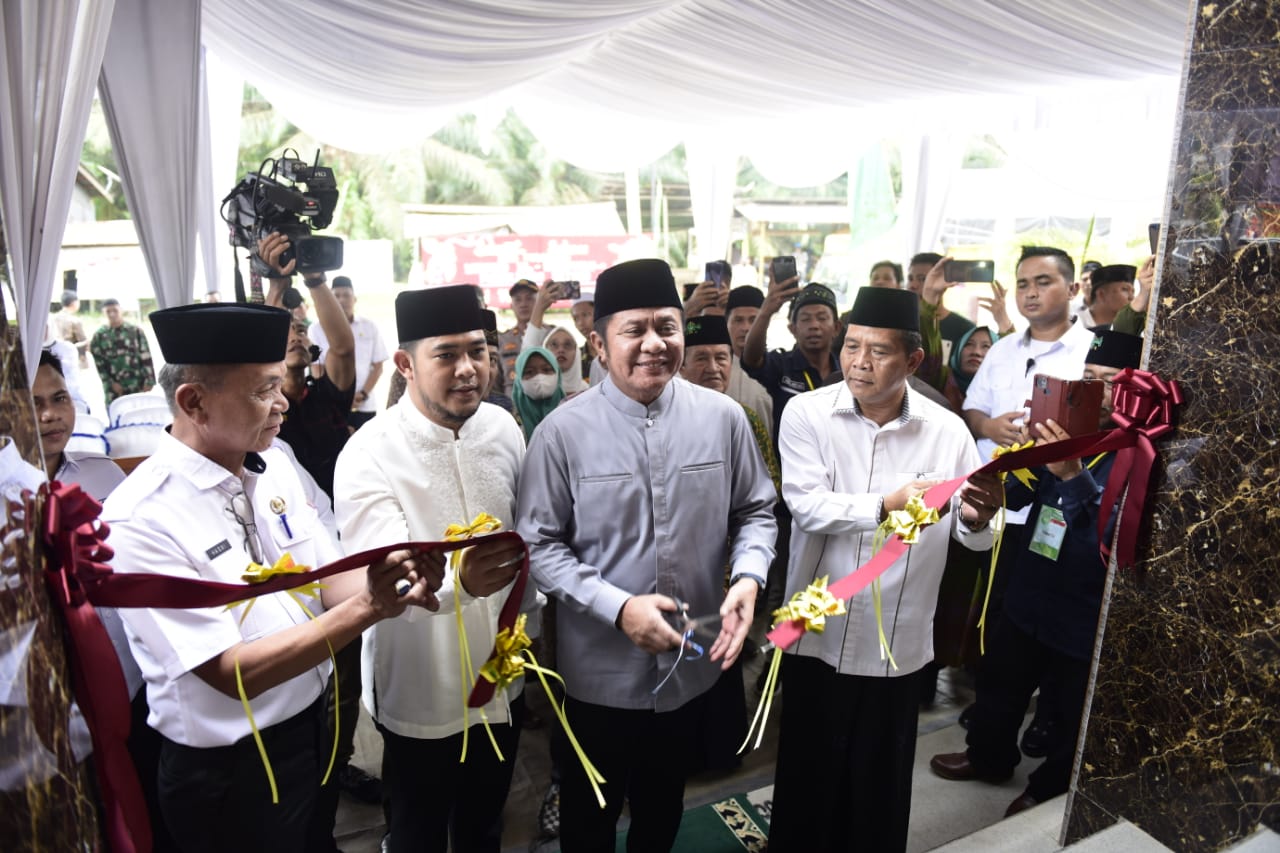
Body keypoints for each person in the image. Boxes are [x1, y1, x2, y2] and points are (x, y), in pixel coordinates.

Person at [103, 302, 443, 853]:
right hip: (229, 769)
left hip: (309, 732)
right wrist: (369, 608)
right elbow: (232, 674)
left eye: (280, 384)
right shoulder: (141, 517)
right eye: (263, 390)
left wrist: (394, 580)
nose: (283, 402)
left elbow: (326, 578)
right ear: (194, 402)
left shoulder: (272, 463)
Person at [517, 258, 776, 853]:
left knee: (664, 804)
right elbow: (539, 544)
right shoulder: (561, 433)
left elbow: (756, 512)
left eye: (668, 326)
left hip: (691, 664)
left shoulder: (724, 419)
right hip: (601, 670)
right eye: (634, 329)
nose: (655, 343)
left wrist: (748, 577)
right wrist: (617, 607)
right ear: (599, 344)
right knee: (591, 813)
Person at [767, 286, 1001, 853]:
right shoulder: (807, 413)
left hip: (894, 641)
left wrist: (978, 514)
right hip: (813, 633)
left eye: (879, 352)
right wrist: (886, 504)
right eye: (852, 347)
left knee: (878, 784)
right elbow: (805, 504)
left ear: (914, 360)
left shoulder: (947, 431)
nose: (859, 363)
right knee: (806, 778)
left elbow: (978, 536)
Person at [334, 285, 535, 853]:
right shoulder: (370, 452)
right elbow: (389, 577)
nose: (469, 369)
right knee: (417, 830)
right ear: (405, 364)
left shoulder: (502, 428)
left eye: (478, 350)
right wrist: (462, 584)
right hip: (421, 684)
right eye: (446, 355)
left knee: (484, 824)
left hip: (502, 675)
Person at [930, 330, 1143, 817]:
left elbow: (1110, 541)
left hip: (1083, 607)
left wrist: (1073, 475)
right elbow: (1022, 496)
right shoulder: (1069, 431)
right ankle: (987, 757)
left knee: (1070, 708)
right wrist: (994, 485)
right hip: (1031, 588)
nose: (1100, 392)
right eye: (1089, 379)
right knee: (1000, 681)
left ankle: (1047, 788)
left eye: (1112, 382)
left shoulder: (1139, 454)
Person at [678, 315, 779, 493]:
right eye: (701, 358)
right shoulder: (667, 419)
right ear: (682, 368)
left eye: (721, 358)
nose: (713, 368)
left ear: (731, 364)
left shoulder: (747, 419)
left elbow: (771, 486)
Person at [309, 276, 389, 430]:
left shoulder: (369, 327)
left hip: (364, 405)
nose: (342, 300)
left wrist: (363, 394)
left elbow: (378, 366)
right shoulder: (316, 329)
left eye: (346, 295)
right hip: (330, 405)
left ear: (355, 299)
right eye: (336, 296)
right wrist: (334, 397)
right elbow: (317, 367)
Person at [723, 286, 773, 441]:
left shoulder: (777, 368)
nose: (746, 328)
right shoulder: (715, 369)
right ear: (727, 323)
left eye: (754, 320)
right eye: (738, 320)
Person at [90, 298, 155, 406]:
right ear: (103, 313)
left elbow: (146, 355)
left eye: (115, 310)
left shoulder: (135, 331)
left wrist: (149, 380)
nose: (112, 314)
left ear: (121, 310)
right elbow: (99, 364)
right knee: (117, 414)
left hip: (137, 383)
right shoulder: (99, 336)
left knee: (141, 415)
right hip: (114, 388)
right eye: (108, 311)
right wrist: (111, 383)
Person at [512, 346, 563, 441]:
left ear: (558, 373)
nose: (539, 376)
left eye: (546, 370)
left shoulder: (571, 411)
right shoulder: (509, 419)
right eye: (529, 372)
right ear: (519, 380)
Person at [498, 279, 538, 385]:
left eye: (529, 298)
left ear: (539, 302)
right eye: (518, 300)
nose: (523, 304)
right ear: (511, 306)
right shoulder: (502, 339)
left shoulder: (553, 336)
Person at [1080, 263, 1136, 329]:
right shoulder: (1075, 325)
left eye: (1133, 292)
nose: (1131, 297)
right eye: (1125, 289)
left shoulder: (1128, 327)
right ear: (1101, 294)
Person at [51, 289, 90, 369]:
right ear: (74, 303)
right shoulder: (74, 320)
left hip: (55, 356)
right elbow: (83, 340)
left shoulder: (52, 318)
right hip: (70, 357)